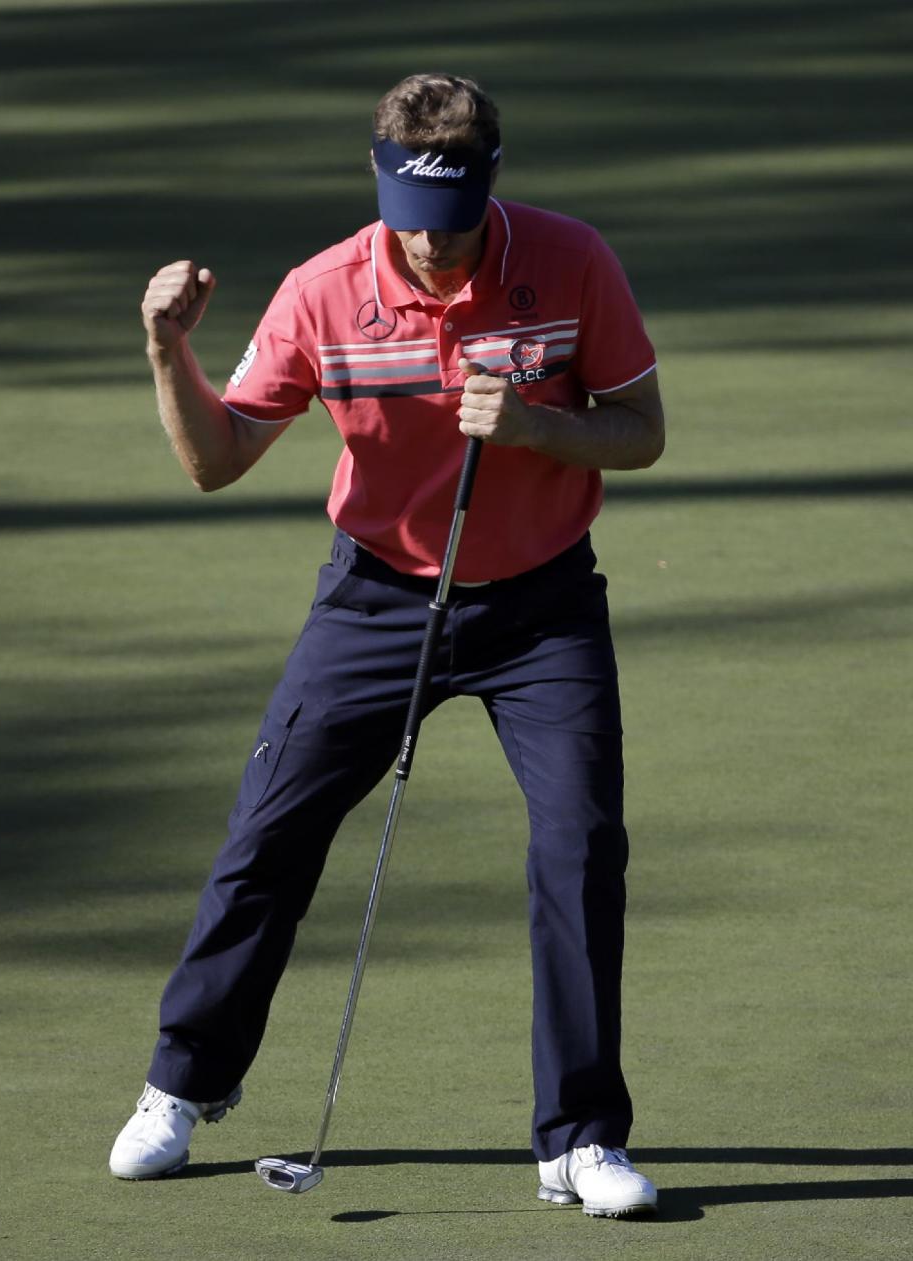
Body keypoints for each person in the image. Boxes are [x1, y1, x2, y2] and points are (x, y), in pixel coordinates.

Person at [109, 72, 665, 1218]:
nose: (436, 253)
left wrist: (538, 426)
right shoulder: (321, 291)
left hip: (542, 608)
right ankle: (183, 1081)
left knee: (581, 846)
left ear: (488, 187)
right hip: (374, 602)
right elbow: (216, 461)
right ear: (380, 192)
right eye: (413, 226)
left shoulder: (569, 261)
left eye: (455, 224)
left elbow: (642, 429)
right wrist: (169, 349)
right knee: (268, 836)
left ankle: (579, 1138)